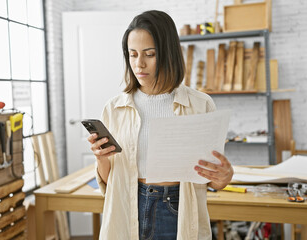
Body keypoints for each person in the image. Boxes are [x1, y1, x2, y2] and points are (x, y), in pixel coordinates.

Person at [87, 10, 234, 240]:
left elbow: (213, 179)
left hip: (175, 209)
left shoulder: (200, 104)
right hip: (127, 206)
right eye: (132, 54)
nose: (139, 64)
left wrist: (223, 177)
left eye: (150, 54)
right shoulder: (113, 108)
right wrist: (101, 158)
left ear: (168, 54)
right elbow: (109, 181)